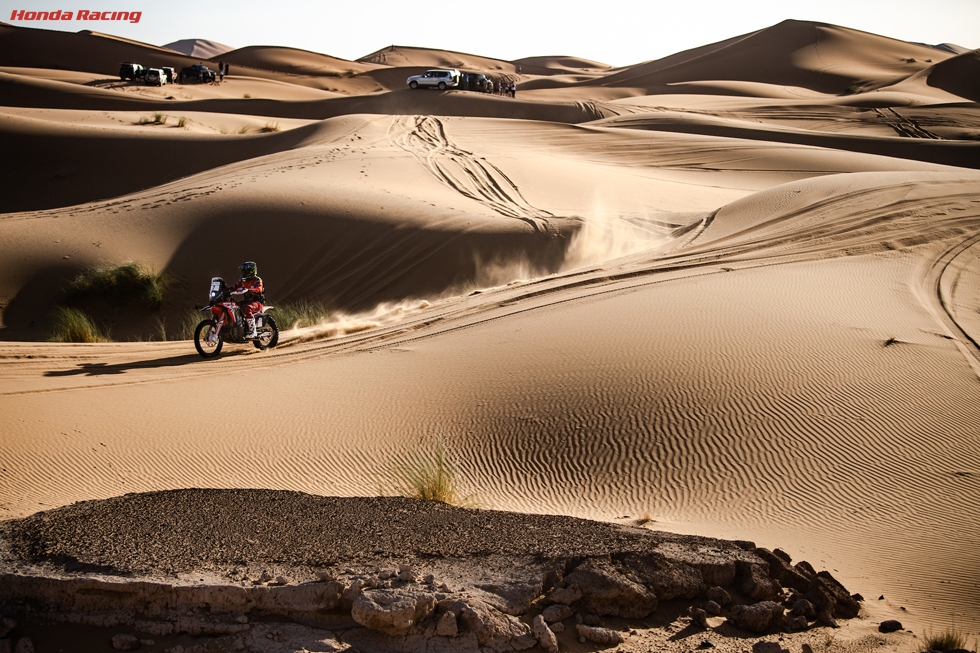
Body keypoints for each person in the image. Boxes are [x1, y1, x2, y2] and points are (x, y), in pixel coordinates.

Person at [230, 261, 264, 338]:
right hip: (246, 302)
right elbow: (234, 287)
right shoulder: (242, 280)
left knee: (246, 308)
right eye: (243, 271)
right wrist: (225, 289)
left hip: (257, 303)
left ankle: (253, 330)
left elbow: (259, 289)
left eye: (246, 271)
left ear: (251, 271)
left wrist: (249, 290)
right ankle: (239, 327)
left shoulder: (257, 280)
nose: (244, 273)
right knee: (234, 306)